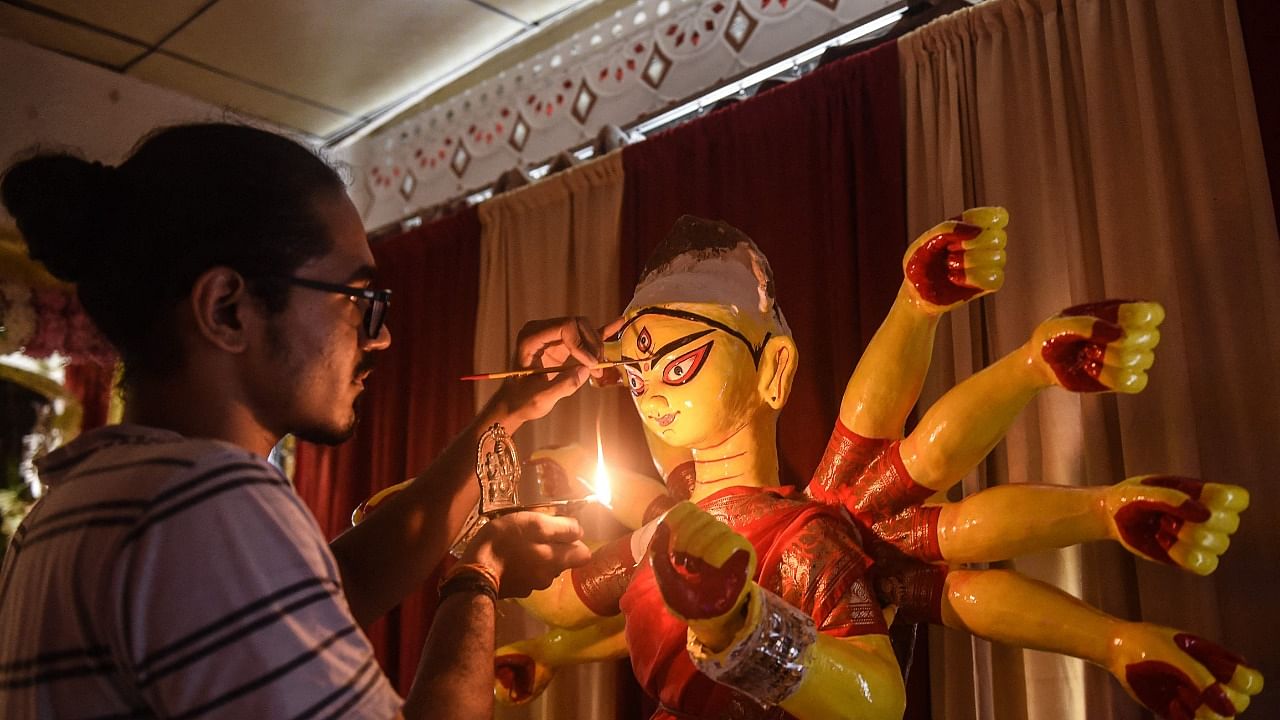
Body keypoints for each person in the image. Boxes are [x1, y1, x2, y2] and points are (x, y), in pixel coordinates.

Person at [493, 213, 1261, 720]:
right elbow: (576, 605)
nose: (651, 394)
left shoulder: (807, 542)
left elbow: (878, 698)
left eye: (679, 366)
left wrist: (746, 627)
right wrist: (500, 553)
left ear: (774, 370)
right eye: (635, 378)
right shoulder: (661, 521)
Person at [0, 122, 600, 719]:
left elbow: (346, 585)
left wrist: (509, 411)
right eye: (361, 301)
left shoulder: (71, 507)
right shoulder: (204, 502)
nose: (383, 336)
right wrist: (479, 576)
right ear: (227, 309)